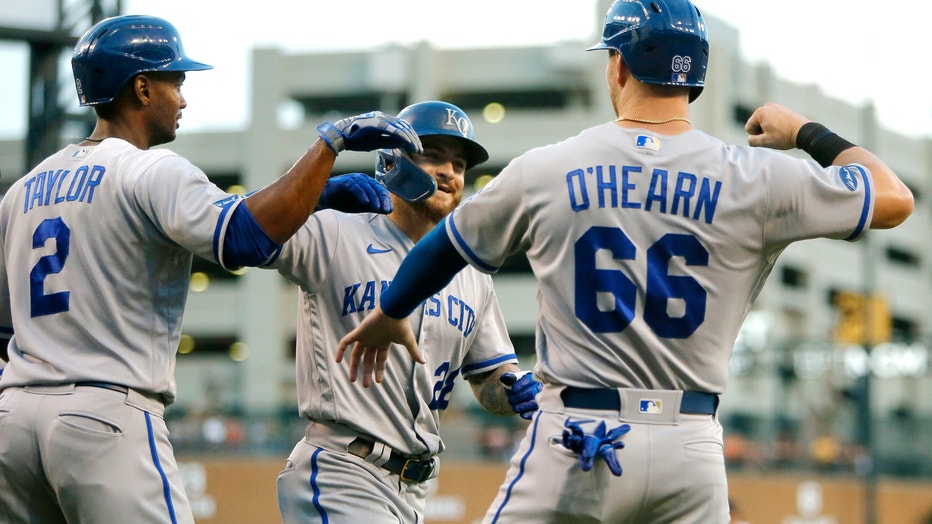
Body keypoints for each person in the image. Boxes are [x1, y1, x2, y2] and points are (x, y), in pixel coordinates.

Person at [336, 0, 914, 522]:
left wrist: (391, 311)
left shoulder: (549, 168)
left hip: (579, 434)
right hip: (691, 447)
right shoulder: (757, 177)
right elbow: (892, 197)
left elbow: (445, 246)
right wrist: (803, 131)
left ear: (618, 65)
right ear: (697, 80)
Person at [0, 14, 422, 524]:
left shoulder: (22, 191)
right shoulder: (150, 169)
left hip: (14, 422)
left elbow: (5, 328)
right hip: (104, 414)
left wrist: (316, 197)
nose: (182, 97)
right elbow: (243, 236)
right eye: (174, 81)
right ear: (141, 87)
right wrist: (328, 146)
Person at [270, 100, 541, 524]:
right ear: (393, 162)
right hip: (343, 468)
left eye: (458, 162)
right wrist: (313, 195)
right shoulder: (336, 231)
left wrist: (515, 387)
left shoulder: (470, 272)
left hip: (413, 490)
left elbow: (488, 379)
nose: (449, 172)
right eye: (432, 154)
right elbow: (237, 231)